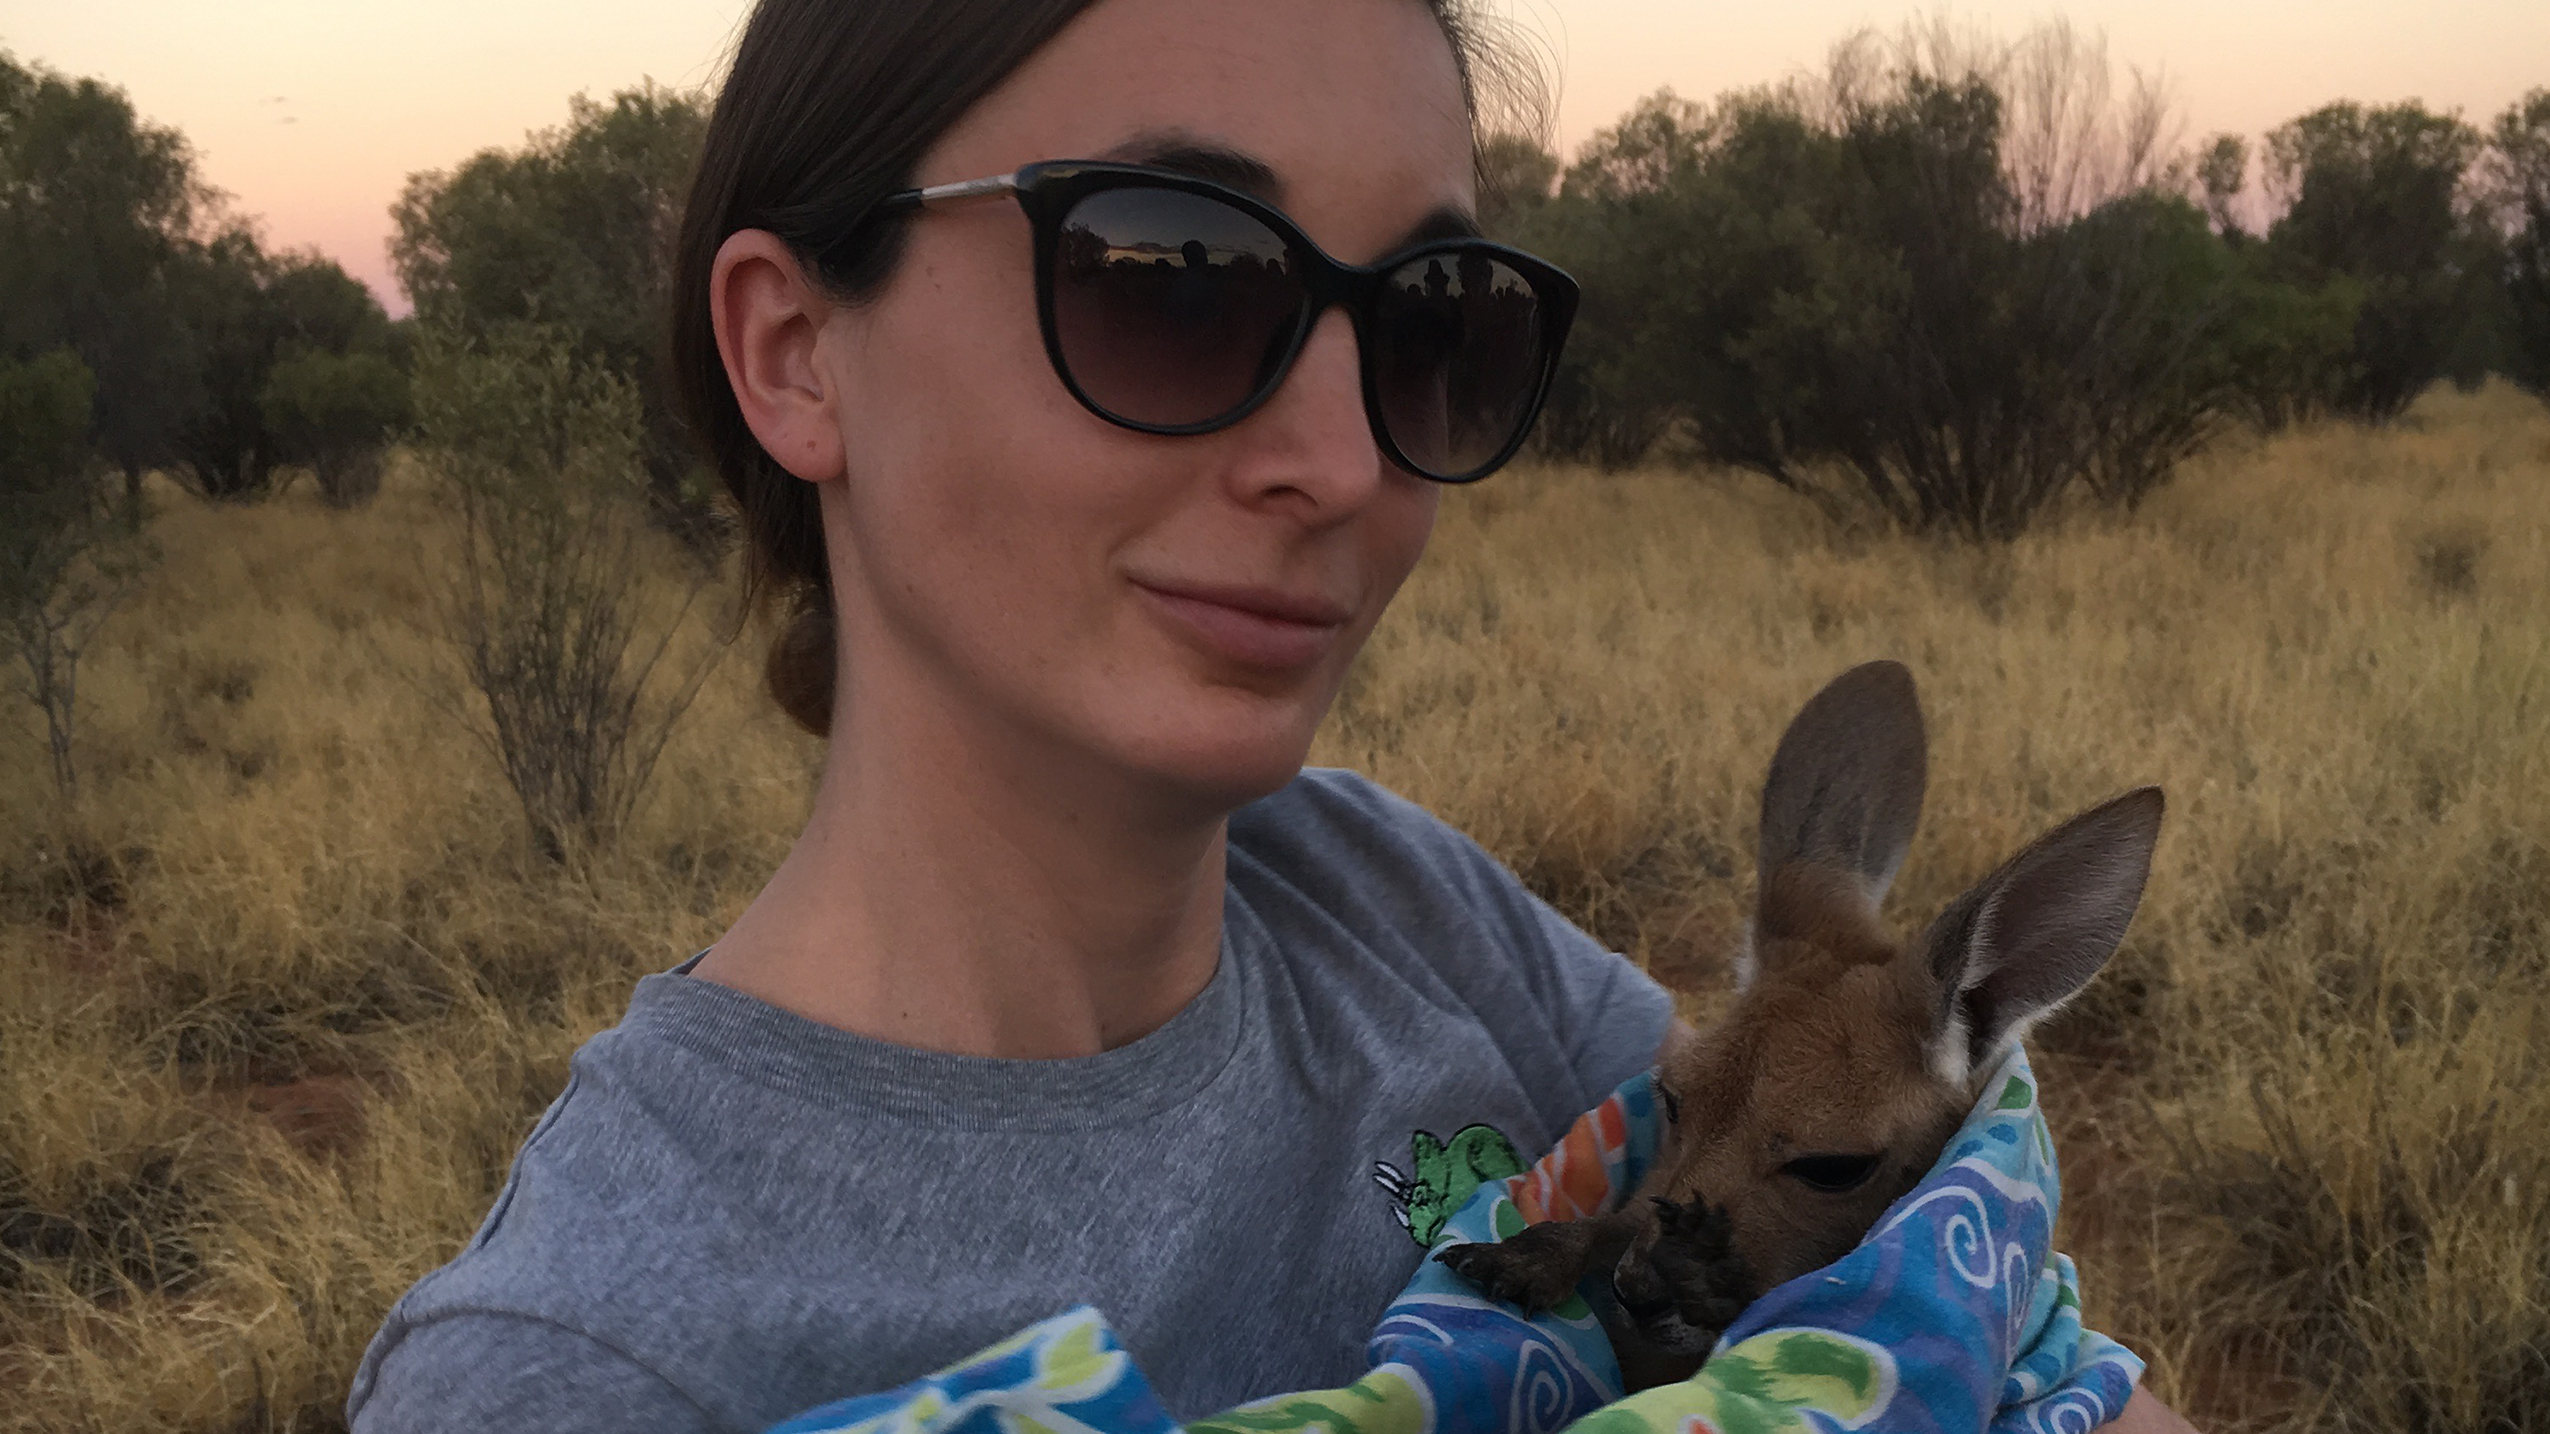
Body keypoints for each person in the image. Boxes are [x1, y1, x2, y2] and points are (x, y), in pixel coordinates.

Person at [346, 1, 2198, 1430]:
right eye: (1174, 277)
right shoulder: (591, 1355)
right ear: (794, 352)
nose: (1344, 461)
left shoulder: (1384, 896)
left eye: (1428, 319)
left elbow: (1978, 1315)